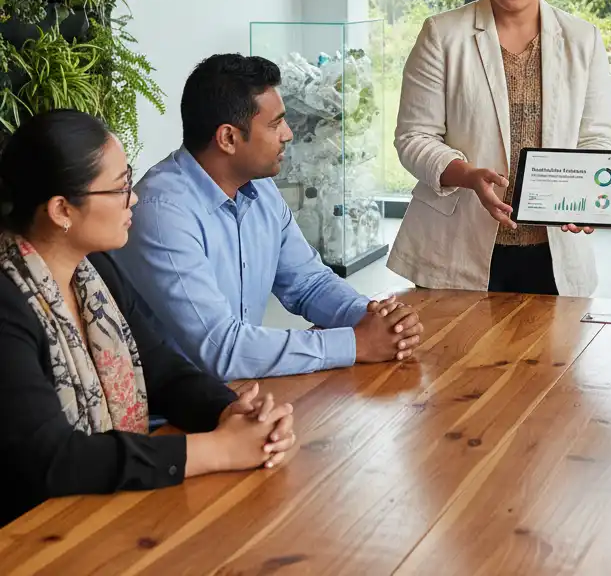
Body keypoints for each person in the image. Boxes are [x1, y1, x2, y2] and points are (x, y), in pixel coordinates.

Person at [0, 110, 297, 528]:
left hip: (104, 514)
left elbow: (165, 370)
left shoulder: (96, 271)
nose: (133, 198)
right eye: (121, 188)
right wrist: (217, 451)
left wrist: (231, 414)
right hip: (30, 535)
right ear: (62, 210)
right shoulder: (8, 300)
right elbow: (52, 458)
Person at [116, 54, 422, 383]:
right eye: (276, 124)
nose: (288, 134)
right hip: (169, 415)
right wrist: (356, 342)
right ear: (228, 138)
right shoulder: (161, 213)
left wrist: (376, 318)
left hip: (237, 392)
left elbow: (309, 284)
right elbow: (222, 348)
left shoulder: (260, 188)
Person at [389, 0, 611, 296]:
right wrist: (466, 173)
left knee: (554, 362)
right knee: (452, 360)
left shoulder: (583, 40)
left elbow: (596, 137)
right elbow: (413, 137)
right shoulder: (442, 34)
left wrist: (589, 197)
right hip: (456, 246)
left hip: (554, 251)